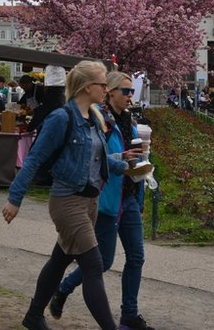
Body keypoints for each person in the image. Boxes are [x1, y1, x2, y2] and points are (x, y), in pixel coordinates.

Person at [2, 61, 129, 330]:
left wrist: (126, 164)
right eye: (102, 84)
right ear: (86, 87)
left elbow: (100, 160)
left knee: (60, 259)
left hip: (89, 202)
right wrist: (15, 198)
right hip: (67, 202)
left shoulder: (93, 117)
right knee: (94, 267)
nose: (106, 89)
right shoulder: (61, 118)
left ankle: (34, 315)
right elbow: (35, 159)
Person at [50, 71, 154, 330]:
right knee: (103, 262)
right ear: (111, 91)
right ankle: (63, 288)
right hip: (107, 199)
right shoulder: (101, 119)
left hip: (128, 197)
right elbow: (96, 157)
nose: (131, 96)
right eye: (126, 91)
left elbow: (133, 159)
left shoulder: (130, 120)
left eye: (132, 92)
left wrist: (140, 192)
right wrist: (122, 156)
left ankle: (129, 314)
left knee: (136, 257)